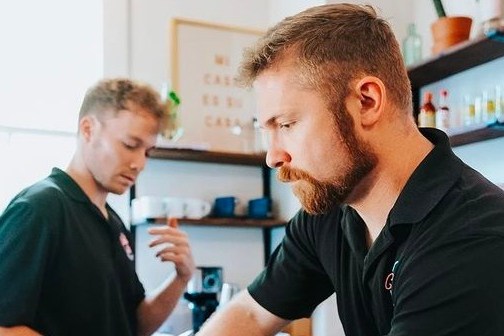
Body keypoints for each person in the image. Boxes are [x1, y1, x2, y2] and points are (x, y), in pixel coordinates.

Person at [198, 3, 504, 336]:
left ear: (367, 102)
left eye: (286, 124)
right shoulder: (329, 211)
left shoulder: (471, 239)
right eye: (266, 130)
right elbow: (251, 314)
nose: (273, 157)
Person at [0, 78, 195, 336]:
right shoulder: (39, 209)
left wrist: (181, 278)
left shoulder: (112, 222)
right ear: (88, 129)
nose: (139, 163)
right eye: (129, 145)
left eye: (147, 152)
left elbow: (133, 325)